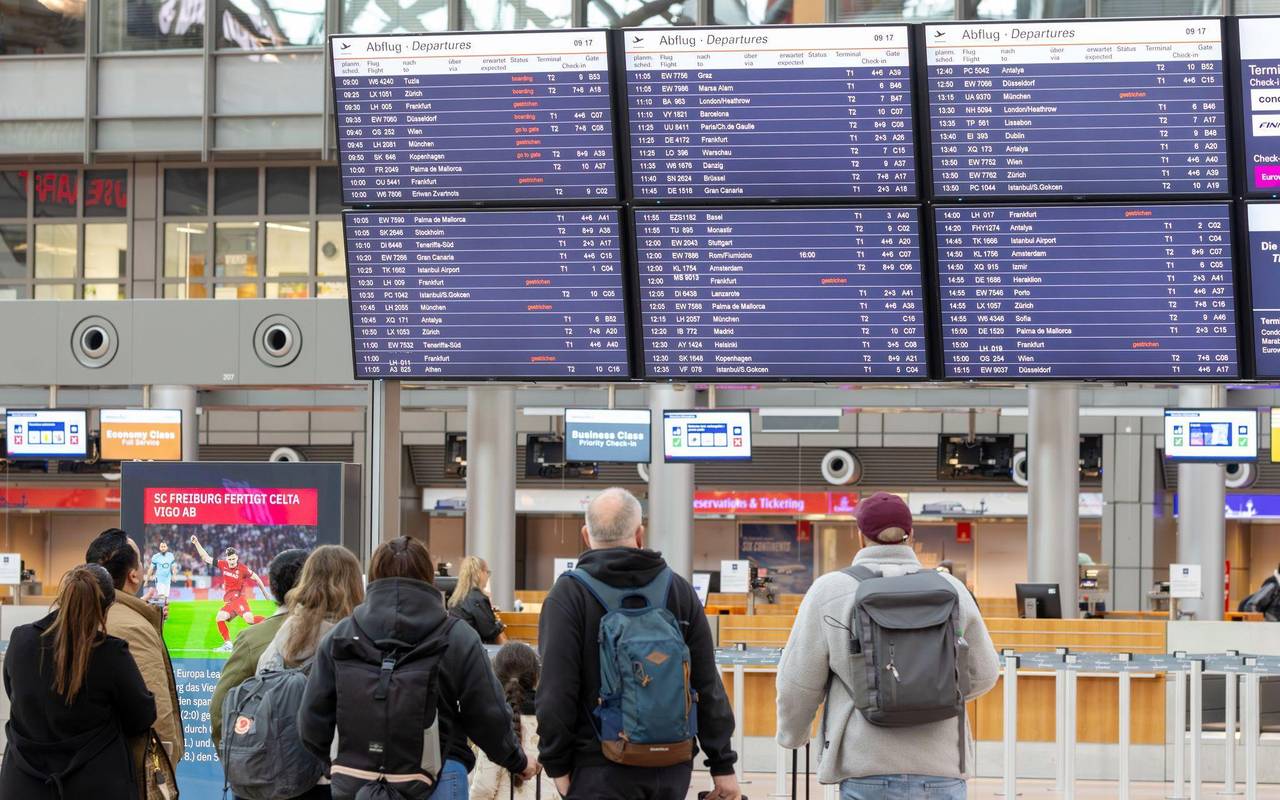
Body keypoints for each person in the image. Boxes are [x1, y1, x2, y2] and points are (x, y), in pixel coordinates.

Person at [775, 492, 1000, 800]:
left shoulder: (830, 591)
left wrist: (793, 734)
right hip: (941, 766)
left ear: (860, 536)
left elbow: (798, 681)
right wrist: (933, 691)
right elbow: (986, 672)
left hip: (865, 764)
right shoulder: (952, 590)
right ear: (911, 535)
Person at [536, 487, 740, 800]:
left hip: (597, 765)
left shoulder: (568, 595)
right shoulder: (678, 589)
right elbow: (706, 682)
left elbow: (555, 690)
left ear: (585, 536)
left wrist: (556, 765)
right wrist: (722, 764)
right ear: (640, 533)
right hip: (672, 763)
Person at [299, 536, 538, 799]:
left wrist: (337, 766)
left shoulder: (342, 635)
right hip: (439, 777)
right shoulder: (457, 637)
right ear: (428, 576)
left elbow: (311, 720)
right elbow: (486, 713)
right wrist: (517, 760)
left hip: (357, 781)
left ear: (375, 574)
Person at [1, 564, 157, 800]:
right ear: (107, 606)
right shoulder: (111, 653)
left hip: (23, 784)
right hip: (94, 784)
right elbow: (142, 716)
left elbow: (14, 693)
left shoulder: (21, 640)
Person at [85, 528, 184, 765]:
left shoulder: (80, 614)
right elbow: (157, 715)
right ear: (133, 576)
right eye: (140, 561)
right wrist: (164, 770)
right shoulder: (134, 629)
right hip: (123, 770)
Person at [210, 548, 309, 757]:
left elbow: (219, 708)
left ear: (274, 588)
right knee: (222, 618)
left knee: (243, 620)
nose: (231, 559)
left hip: (264, 766)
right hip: (321, 775)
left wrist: (232, 760)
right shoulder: (338, 634)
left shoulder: (250, 640)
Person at [470, 642, 557, 800]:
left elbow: (483, 789)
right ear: (536, 677)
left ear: (495, 678)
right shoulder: (555, 721)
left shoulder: (494, 726)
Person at [191, 534, 270, 651]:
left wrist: (265, 594)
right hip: (230, 601)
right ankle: (228, 644)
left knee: (249, 620)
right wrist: (196, 542)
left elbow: (257, 578)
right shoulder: (223, 564)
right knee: (220, 617)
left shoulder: (243, 568)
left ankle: (272, 624)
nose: (232, 561)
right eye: (230, 559)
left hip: (238, 599)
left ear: (237, 557)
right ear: (226, 559)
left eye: (233, 559)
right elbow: (205, 558)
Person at [448, 555, 506, 644]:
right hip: (474, 649)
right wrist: (500, 624)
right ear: (480, 573)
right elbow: (489, 632)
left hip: (457, 647)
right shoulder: (478, 598)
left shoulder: (455, 598)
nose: (488, 576)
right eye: (487, 572)